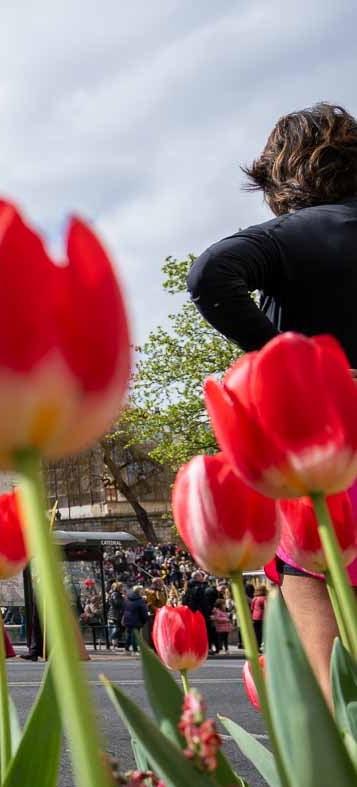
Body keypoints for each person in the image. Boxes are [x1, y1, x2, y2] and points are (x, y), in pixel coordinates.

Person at [189, 102, 357, 693]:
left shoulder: (299, 234)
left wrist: (288, 358)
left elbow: (211, 274)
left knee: (333, 678)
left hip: (325, 456)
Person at [122, 585, 148, 653]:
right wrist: (145, 620)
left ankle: (126, 649)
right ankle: (135, 650)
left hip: (127, 618)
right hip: (136, 620)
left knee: (129, 634)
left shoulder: (127, 598)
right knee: (135, 636)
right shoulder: (140, 600)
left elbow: (124, 608)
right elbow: (143, 612)